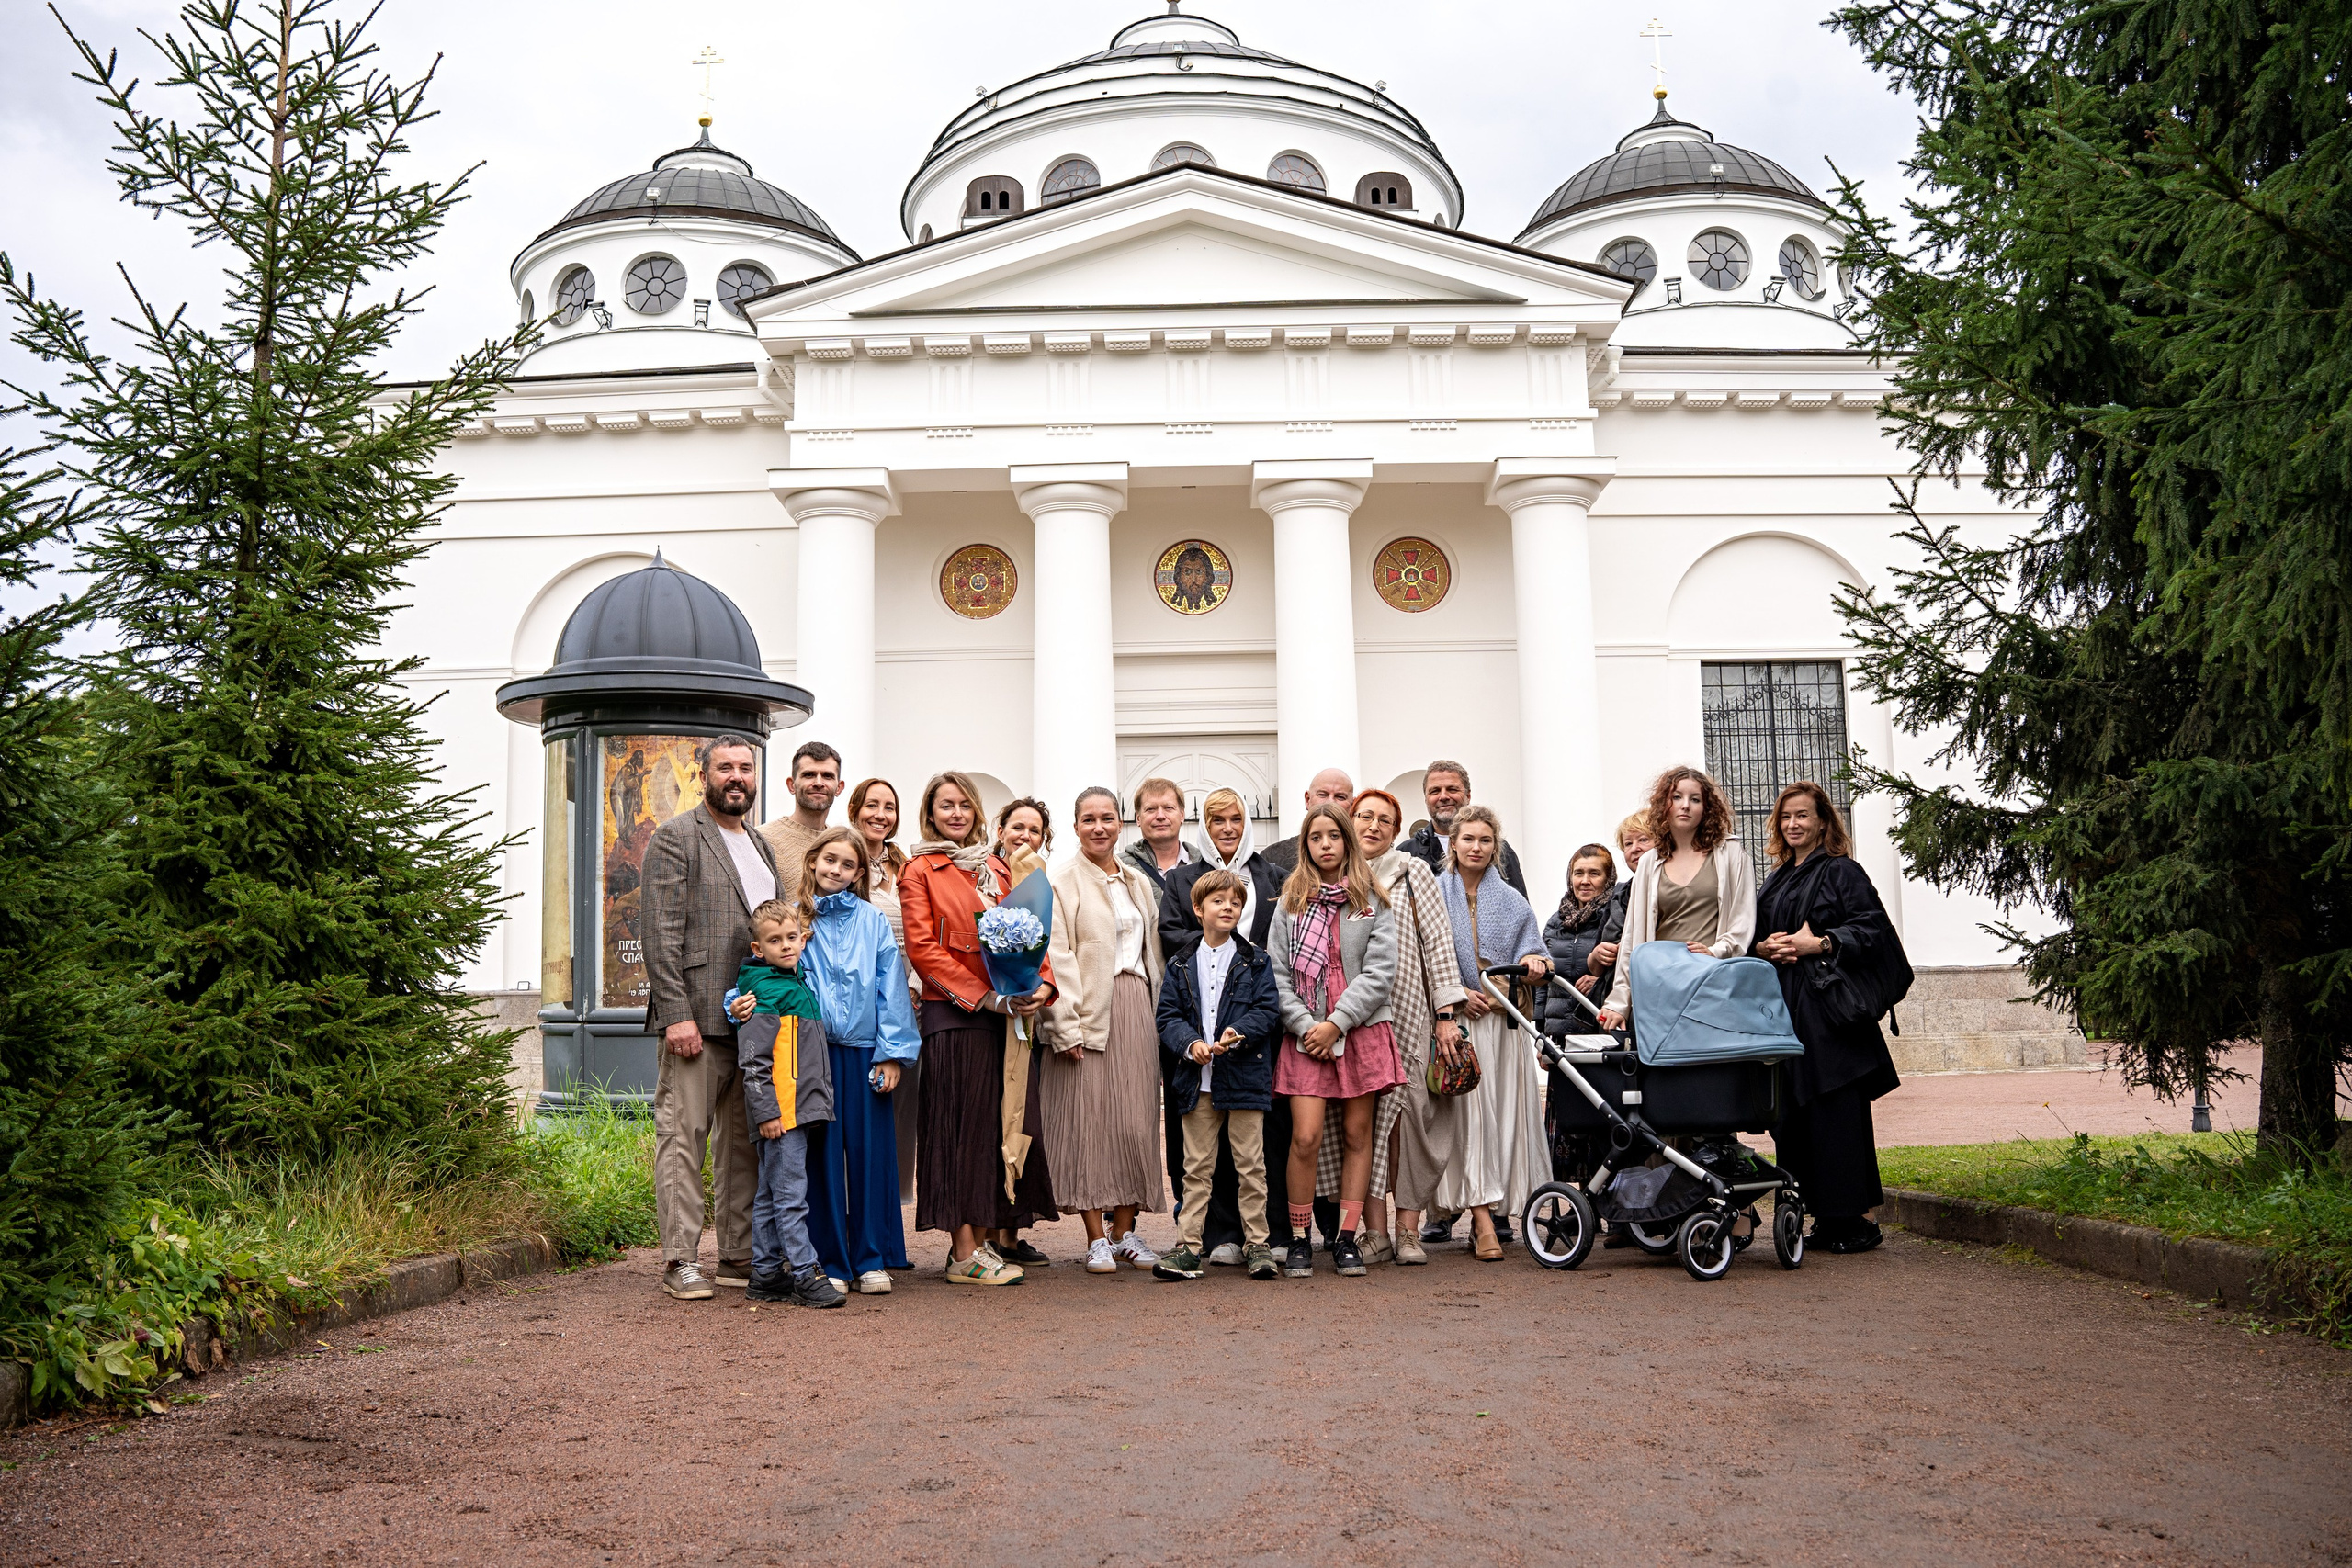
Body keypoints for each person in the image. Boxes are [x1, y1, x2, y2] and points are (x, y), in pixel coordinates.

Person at [733, 827, 921, 1296]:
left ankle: (870, 1257)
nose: (837, 870)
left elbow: (890, 985)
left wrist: (893, 1053)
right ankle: (829, 1257)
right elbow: (764, 974)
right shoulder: (795, 920)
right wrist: (735, 1004)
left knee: (869, 1155)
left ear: (860, 873)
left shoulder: (872, 920)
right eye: (830, 860)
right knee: (819, 1162)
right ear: (813, 861)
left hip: (864, 1053)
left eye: (848, 865)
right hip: (808, 1056)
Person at [899, 771, 1057, 1286]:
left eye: (965, 805)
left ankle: (987, 1240)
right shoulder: (919, 870)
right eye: (946, 806)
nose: (957, 814)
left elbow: (1034, 933)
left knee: (999, 1128)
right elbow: (924, 950)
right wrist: (986, 998)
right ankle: (962, 1252)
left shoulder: (998, 866)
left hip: (1010, 1015)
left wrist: (1041, 989)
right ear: (931, 813)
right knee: (961, 1129)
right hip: (957, 1015)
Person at [640, 734, 775, 1301]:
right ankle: (679, 1260)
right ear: (704, 775)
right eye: (726, 768)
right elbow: (661, 933)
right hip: (696, 1018)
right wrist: (676, 1015)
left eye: (746, 768)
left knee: (741, 1145)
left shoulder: (761, 844)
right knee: (683, 1138)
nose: (737, 777)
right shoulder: (677, 837)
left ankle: (737, 1256)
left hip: (751, 1024)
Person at [1753, 781, 1905, 1255]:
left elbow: (1873, 930)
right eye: (1785, 817)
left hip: (1828, 1016)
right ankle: (1815, 1214)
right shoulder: (1777, 878)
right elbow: (1758, 934)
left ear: (1823, 821)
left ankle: (1852, 1220)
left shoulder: (1843, 872)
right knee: (1794, 1116)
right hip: (1785, 1011)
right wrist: (1765, 947)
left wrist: (1817, 943)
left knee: (1835, 1115)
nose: (1793, 824)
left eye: (1802, 815)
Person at [1158, 787, 1295, 1263]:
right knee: (1197, 1166)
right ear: (1200, 908)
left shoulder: (1257, 961)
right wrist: (1190, 1043)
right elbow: (1168, 1015)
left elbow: (1266, 1006)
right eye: (1217, 820)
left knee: (1252, 1163)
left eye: (1237, 818)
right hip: (1198, 1077)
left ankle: (1258, 1243)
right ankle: (1193, 1244)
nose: (1228, 827)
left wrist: (1245, 1034)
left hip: (1246, 1071)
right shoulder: (1180, 963)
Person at [1268, 805, 1400, 1279]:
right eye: (1315, 838)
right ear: (1305, 846)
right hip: (1305, 1034)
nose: (1325, 845)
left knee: (1356, 1136)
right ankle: (1300, 1238)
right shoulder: (1290, 903)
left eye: (1333, 837)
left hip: (1359, 1028)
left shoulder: (1372, 900)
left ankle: (1346, 1238)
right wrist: (1307, 1026)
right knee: (1304, 1137)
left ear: (1347, 841)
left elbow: (1381, 971)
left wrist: (1338, 1022)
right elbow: (1277, 973)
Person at [1041, 788, 1169, 1273]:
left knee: (1134, 1122)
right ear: (1076, 826)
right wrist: (1065, 1024)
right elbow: (1058, 955)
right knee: (1089, 1121)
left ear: (1122, 825)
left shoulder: (1137, 881)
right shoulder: (1063, 883)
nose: (1099, 827)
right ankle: (1096, 1237)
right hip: (1088, 1010)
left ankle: (1126, 1232)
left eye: (1108, 818)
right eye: (1089, 819)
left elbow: (1151, 951)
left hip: (1137, 1006)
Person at [1342, 788, 1468, 1267]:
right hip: (1355, 1018)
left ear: (1396, 831)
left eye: (1384, 820)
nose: (1373, 826)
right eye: (1365, 817)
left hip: (1410, 1011)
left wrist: (1445, 1015)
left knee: (1415, 1119)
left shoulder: (1413, 871)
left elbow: (1438, 942)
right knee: (1365, 1124)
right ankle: (1373, 1233)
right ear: (1350, 821)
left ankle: (1409, 1229)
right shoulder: (1337, 874)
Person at [1434, 806, 1553, 1260]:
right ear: (1453, 844)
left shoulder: (1513, 901)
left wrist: (1534, 966)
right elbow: (1422, 957)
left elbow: (1534, 955)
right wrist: (1460, 991)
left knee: (1503, 1119)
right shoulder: (1435, 894)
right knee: (1469, 1123)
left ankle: (1497, 1209)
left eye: (1485, 840)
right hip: (1456, 1025)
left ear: (1494, 846)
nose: (1476, 847)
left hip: (1503, 1024)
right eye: (1468, 839)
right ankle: (1481, 1220)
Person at [731, 898, 844, 1309]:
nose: (786, 946)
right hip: (782, 1113)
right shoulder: (765, 992)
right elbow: (754, 1061)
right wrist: (767, 1115)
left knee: (770, 1191)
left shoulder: (795, 984)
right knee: (791, 1194)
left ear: (803, 938)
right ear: (757, 949)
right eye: (774, 941)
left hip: (794, 1108)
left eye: (792, 937)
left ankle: (764, 1273)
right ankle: (805, 1272)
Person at [1600, 766, 1757, 1028]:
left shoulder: (1730, 855)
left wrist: (1716, 952)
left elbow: (1742, 923)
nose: (1685, 806)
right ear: (1665, 805)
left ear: (1706, 808)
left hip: (1712, 984)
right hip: (1661, 988)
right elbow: (1632, 939)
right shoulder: (1650, 862)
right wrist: (1618, 1001)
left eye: (1695, 799)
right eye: (1677, 797)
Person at [845, 776, 922, 1201]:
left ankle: (890, 1206)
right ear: (855, 809)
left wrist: (914, 983)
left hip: (912, 990)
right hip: (861, 992)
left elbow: (922, 931)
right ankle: (856, 1203)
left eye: (889, 807)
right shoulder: (844, 862)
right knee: (863, 1101)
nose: (880, 814)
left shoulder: (905, 865)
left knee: (901, 1106)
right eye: (871, 805)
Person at [1402, 760, 1527, 897]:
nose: (1443, 796)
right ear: (1426, 799)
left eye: (1452, 789)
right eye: (1435, 791)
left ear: (1468, 796)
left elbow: (1520, 911)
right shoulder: (1406, 854)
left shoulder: (1499, 850)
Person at [1541, 845, 1620, 1038]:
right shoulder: (1556, 922)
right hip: (1559, 1039)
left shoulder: (1615, 919)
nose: (1585, 881)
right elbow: (1543, 984)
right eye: (1578, 873)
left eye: (1594, 874)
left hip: (1599, 1035)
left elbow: (1627, 973)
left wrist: (1603, 983)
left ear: (1608, 879)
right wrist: (1541, 1037)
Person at [757, 741, 845, 901]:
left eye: (827, 776)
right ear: (792, 785)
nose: (819, 783)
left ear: (839, 787)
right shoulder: (762, 839)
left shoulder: (842, 845)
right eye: (809, 775)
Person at [1257, 768, 1357, 877]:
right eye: (1323, 795)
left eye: (1340, 797)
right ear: (1308, 800)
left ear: (1353, 805)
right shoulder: (1273, 858)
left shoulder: (1364, 854)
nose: (1330, 802)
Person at [1122, 776, 1198, 892]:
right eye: (1151, 809)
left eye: (1168, 808)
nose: (1160, 816)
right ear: (1138, 819)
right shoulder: (1120, 867)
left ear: (1182, 816)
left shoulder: (1205, 865)